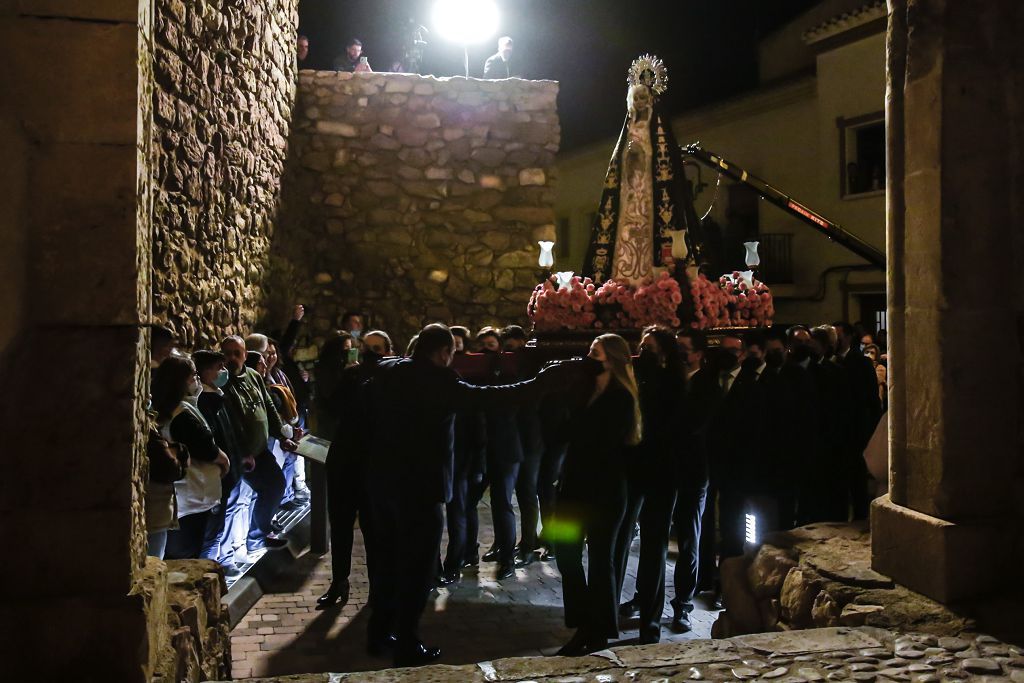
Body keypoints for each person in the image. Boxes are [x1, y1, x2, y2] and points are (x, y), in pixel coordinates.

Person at [364, 324, 558, 667]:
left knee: (387, 564)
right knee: (418, 568)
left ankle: (379, 633)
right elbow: (489, 398)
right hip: (421, 490)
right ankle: (407, 641)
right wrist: (542, 382)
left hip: (383, 484)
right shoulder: (440, 381)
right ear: (443, 353)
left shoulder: (388, 370)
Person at [553, 334, 641, 656]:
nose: (588, 357)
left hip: (604, 490)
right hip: (573, 487)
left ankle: (595, 630)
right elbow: (563, 432)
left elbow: (596, 439)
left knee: (601, 561)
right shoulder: (584, 390)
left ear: (611, 359)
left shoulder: (621, 397)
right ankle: (583, 619)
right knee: (564, 551)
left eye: (595, 352)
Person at [615, 326, 685, 643]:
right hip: (632, 464)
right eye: (641, 346)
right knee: (621, 535)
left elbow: (669, 421)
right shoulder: (633, 377)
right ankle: (608, 611)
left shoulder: (673, 380)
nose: (643, 351)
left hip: (661, 467)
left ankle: (650, 620)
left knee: (654, 544)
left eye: (650, 347)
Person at [318, 329, 395, 609]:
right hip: (345, 460)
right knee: (340, 527)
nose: (372, 354)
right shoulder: (352, 376)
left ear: (389, 351)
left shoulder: (396, 379)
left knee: (374, 530)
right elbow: (331, 408)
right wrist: (349, 378)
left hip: (375, 464)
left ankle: (378, 589)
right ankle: (339, 582)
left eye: (379, 349)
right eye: (368, 349)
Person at [219, 336, 297, 561]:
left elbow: (268, 406)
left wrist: (281, 435)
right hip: (240, 453)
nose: (232, 358)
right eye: (228, 353)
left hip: (259, 450)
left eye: (237, 353)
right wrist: (243, 451)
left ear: (245, 355)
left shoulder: (253, 376)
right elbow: (231, 420)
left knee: (276, 486)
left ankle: (256, 535)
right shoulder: (224, 383)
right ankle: (232, 552)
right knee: (235, 501)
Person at [153, 357, 230, 560]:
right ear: (181, 381)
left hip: (185, 499)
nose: (196, 380)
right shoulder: (182, 414)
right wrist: (224, 462)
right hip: (195, 498)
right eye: (193, 376)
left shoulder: (165, 410)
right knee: (194, 556)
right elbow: (205, 447)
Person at [193, 350, 246, 571]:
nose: (223, 372)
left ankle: (223, 559)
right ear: (204, 372)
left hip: (230, 468)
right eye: (218, 368)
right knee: (213, 526)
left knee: (226, 516)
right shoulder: (205, 401)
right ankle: (208, 569)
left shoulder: (218, 395)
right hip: (218, 473)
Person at [313, 332, 356, 442]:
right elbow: (329, 392)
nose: (348, 351)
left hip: (344, 416)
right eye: (346, 347)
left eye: (350, 348)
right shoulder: (323, 366)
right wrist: (346, 374)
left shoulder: (343, 365)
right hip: (329, 418)